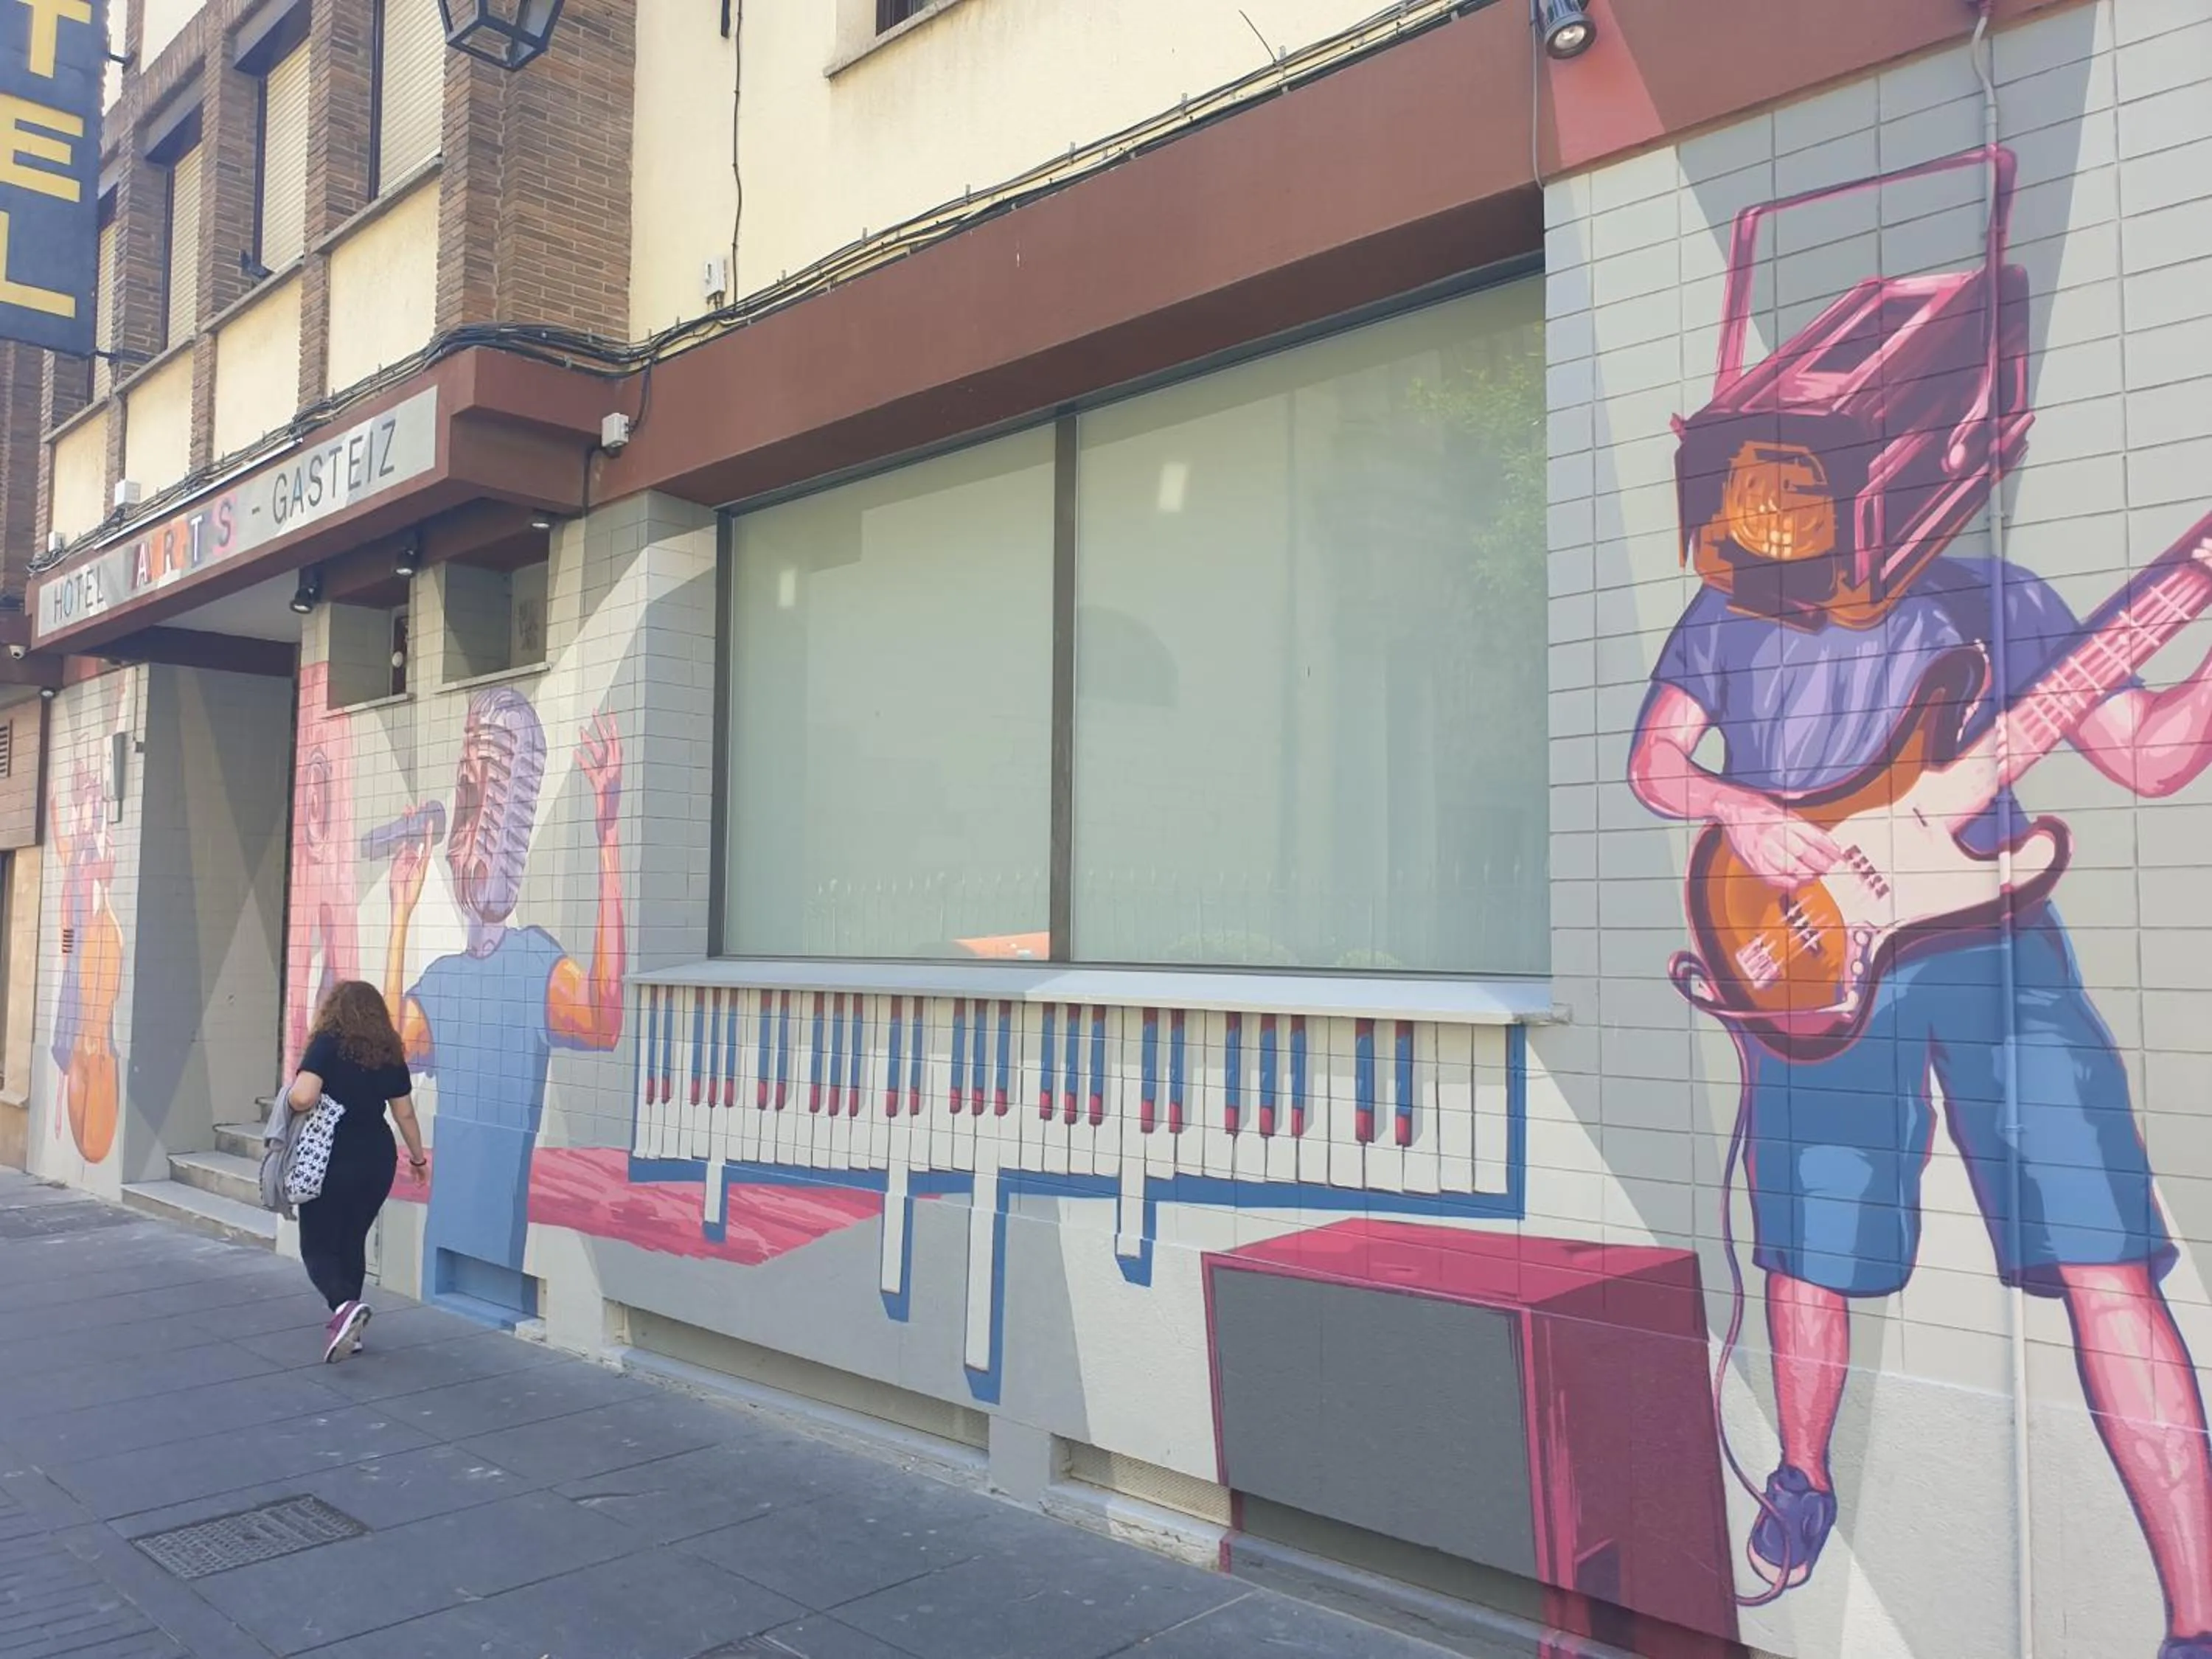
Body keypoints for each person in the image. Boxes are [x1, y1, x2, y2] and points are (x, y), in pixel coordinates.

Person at [1629, 543, 2212, 1658]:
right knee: (1810, 1249)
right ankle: (1802, 1474)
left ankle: (2196, 1617)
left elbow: (2145, 757)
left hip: (1997, 948)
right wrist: (1733, 807)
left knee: (2108, 1255)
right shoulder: (1737, 594)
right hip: (1799, 945)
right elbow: (1657, 759)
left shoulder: (1998, 592)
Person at [289, 981, 427, 1362]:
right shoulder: (388, 1051)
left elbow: (303, 1096)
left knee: (316, 1245)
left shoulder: (327, 1043)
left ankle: (342, 1307)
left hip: (331, 1157)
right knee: (352, 1240)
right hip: (376, 1159)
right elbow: (405, 1113)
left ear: (334, 1010)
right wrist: (418, 1160)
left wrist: (288, 1098)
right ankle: (353, 1327)